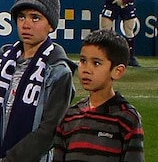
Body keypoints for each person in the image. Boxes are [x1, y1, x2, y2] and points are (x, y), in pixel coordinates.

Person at [0, 0, 75, 162]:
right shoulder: (0, 64)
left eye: (35, 18)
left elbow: (49, 130)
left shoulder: (58, 72)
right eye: (21, 17)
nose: (26, 24)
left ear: (51, 25)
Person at [53, 30, 144, 162]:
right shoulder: (70, 116)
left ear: (117, 71)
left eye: (96, 63)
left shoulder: (127, 119)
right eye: (83, 61)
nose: (86, 69)